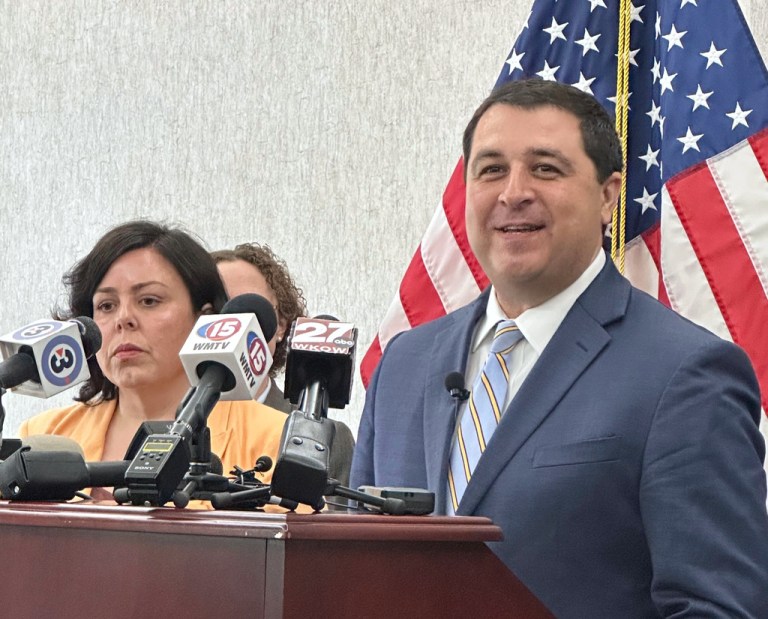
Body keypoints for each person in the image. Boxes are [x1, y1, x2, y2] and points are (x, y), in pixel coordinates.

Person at [350, 79, 768, 617]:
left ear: (607, 195)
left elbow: (719, 607)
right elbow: (352, 571)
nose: (513, 192)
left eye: (545, 168)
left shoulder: (685, 374)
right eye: (491, 169)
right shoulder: (404, 364)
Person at [19, 221, 288, 491]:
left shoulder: (272, 437)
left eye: (149, 300)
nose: (123, 319)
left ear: (204, 318)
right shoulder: (44, 436)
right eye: (106, 305)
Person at [212, 243, 356, 488]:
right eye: (215, 310)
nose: (232, 324)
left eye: (248, 309)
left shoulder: (327, 438)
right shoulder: (164, 420)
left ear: (280, 325)